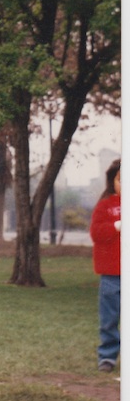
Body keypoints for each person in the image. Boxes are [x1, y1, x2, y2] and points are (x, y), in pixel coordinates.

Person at [89, 159, 121, 373]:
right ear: (113, 181)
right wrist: (117, 226)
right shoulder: (106, 205)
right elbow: (96, 233)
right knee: (109, 318)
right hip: (112, 275)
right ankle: (108, 357)